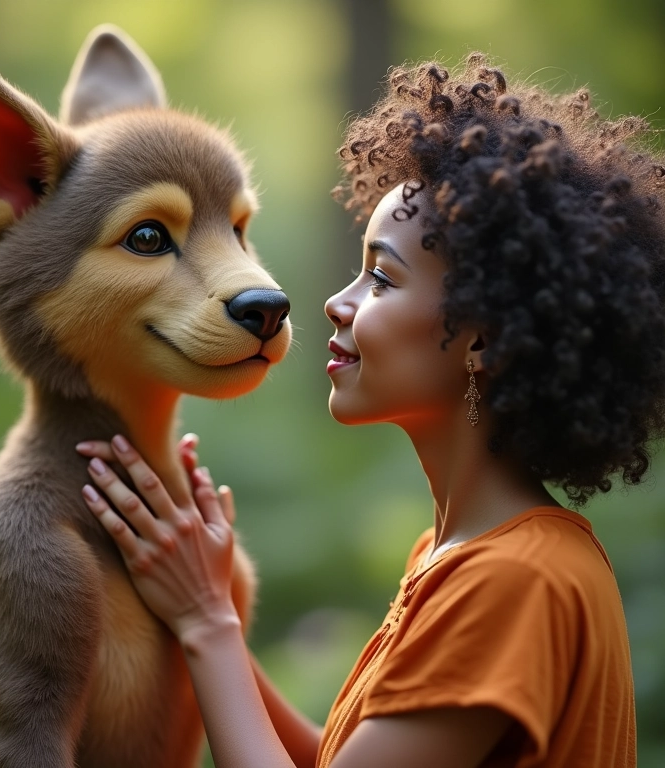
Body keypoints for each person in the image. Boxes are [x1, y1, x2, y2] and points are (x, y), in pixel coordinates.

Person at [75, 53, 665, 767]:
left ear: (485, 337)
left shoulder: (515, 581)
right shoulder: (455, 557)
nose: (335, 303)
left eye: (380, 278)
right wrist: (186, 606)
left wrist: (208, 621)